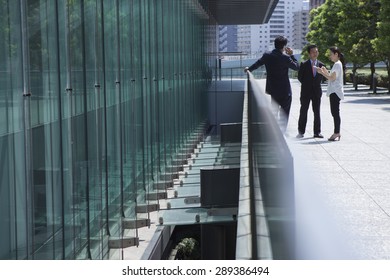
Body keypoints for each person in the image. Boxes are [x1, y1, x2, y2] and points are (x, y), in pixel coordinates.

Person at [244, 35, 299, 132]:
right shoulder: (286, 58)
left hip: (273, 90)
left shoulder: (267, 55)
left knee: (274, 111)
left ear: (275, 44)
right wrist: (291, 55)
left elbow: (257, 64)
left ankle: (275, 131)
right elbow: (296, 67)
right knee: (285, 113)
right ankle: (282, 133)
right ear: (284, 46)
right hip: (285, 91)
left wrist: (249, 69)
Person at [316, 46, 345, 141]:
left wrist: (321, 72)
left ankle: (337, 132)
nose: (330, 56)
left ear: (336, 54)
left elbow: (332, 78)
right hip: (335, 91)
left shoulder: (337, 64)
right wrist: (325, 71)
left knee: (335, 112)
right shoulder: (337, 64)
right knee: (335, 112)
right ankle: (337, 132)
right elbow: (332, 76)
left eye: (331, 54)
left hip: (335, 91)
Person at [297, 44, 325, 138]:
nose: (315, 53)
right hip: (306, 91)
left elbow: (323, 77)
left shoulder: (321, 65)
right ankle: (301, 132)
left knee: (317, 112)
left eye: (316, 51)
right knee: (303, 111)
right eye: (313, 52)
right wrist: (307, 84)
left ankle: (317, 132)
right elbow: (300, 77)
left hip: (317, 92)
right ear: (309, 53)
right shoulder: (304, 64)